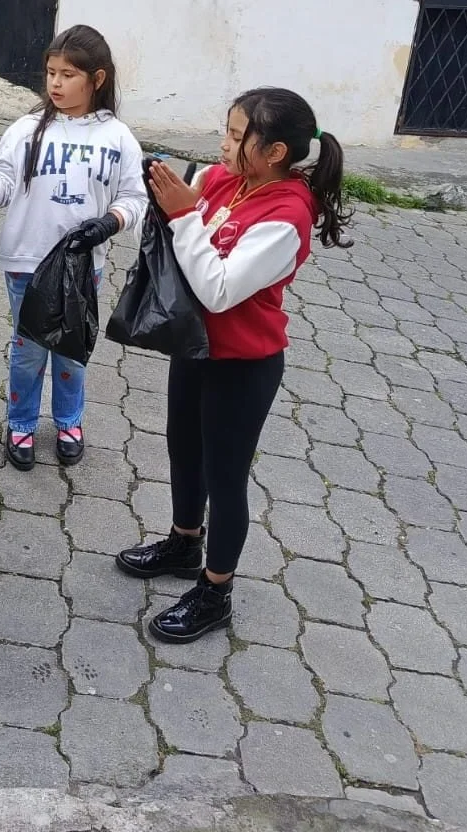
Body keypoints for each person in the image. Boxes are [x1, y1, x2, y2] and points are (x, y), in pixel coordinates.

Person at [116, 87, 351, 643]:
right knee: (183, 447)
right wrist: (160, 195)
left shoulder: (288, 214)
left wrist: (183, 217)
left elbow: (219, 289)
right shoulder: (228, 180)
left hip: (244, 364)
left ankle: (215, 591)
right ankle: (183, 541)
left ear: (274, 152)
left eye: (235, 133)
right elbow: (181, 216)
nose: (222, 142)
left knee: (225, 478)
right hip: (196, 348)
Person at [0, 26, 146, 470]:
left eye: (68, 74)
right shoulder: (24, 130)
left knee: (71, 348)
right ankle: (20, 424)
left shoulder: (118, 138)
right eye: (50, 72)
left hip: (81, 265)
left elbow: (135, 199)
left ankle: (69, 421)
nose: (55, 83)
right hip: (26, 262)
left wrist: (109, 223)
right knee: (29, 347)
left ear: (98, 79)